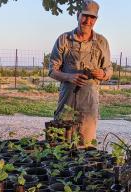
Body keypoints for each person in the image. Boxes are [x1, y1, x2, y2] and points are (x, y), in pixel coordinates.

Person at [48, 0, 113, 146]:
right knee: (60, 144)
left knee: (86, 146)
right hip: (67, 102)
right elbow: (52, 70)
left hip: (89, 104)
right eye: (85, 16)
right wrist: (69, 77)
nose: (88, 21)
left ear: (96, 20)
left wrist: (102, 74)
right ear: (78, 15)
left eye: (92, 18)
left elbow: (109, 69)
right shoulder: (64, 39)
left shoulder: (102, 42)